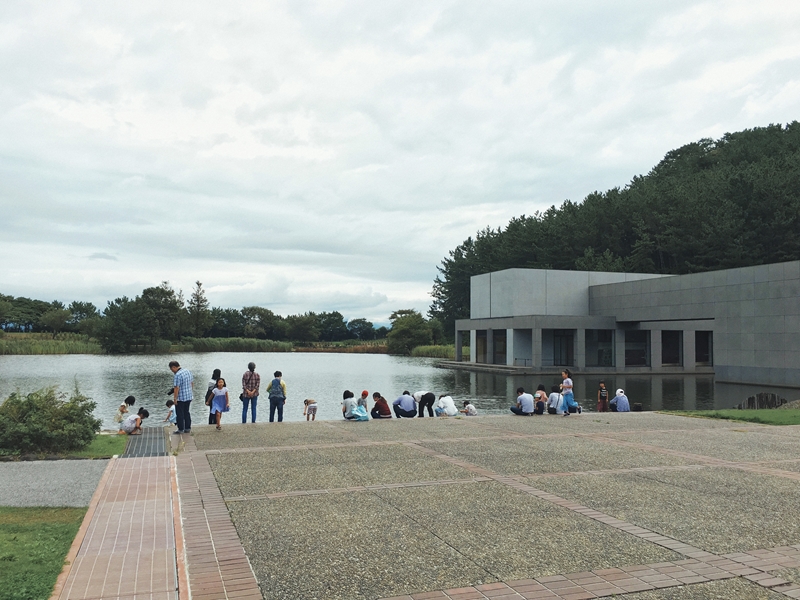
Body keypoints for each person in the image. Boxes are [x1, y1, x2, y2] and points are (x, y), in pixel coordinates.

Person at [169, 361, 194, 434]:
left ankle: (180, 429)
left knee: (179, 414)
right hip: (188, 396)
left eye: (171, 369)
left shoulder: (177, 375)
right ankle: (187, 428)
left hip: (181, 397)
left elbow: (176, 388)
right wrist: (191, 392)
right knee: (186, 412)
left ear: (174, 367)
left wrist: (175, 399)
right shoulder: (188, 371)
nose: (172, 371)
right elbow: (192, 383)